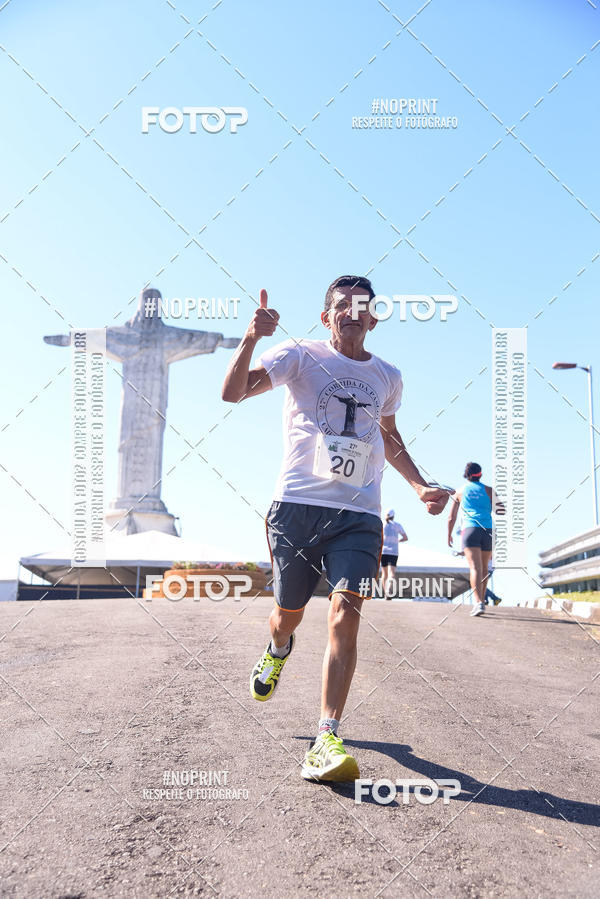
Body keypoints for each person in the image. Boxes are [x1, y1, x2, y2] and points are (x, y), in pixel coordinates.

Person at [221, 276, 450, 782]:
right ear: (327, 317)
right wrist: (251, 338)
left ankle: (327, 736)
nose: (352, 312)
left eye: (362, 306)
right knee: (287, 615)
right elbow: (232, 393)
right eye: (342, 305)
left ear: (374, 319)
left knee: (346, 613)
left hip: (360, 514)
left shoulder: (388, 376)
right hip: (297, 508)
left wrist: (418, 486)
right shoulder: (300, 354)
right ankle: (278, 649)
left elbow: (388, 437)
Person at [447, 462, 504, 617]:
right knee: (484, 569)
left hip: (470, 529)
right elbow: (501, 510)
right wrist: (488, 505)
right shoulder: (489, 490)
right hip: (488, 531)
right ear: (481, 474)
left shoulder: (459, 491)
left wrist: (449, 534)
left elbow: (451, 517)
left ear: (466, 475)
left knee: (474, 568)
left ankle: (478, 602)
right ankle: (482, 602)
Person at [380, 508, 408, 598]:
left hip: (383, 551)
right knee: (391, 573)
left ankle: (385, 593)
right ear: (393, 516)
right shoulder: (397, 525)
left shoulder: (382, 524)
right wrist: (398, 541)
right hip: (393, 551)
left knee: (384, 574)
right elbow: (405, 537)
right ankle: (388, 590)